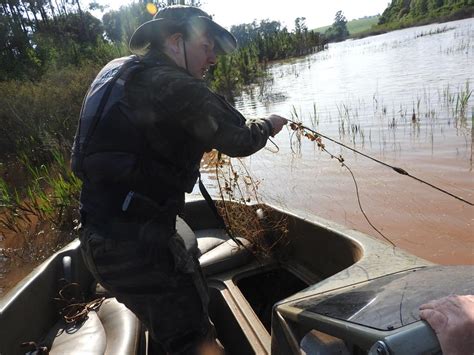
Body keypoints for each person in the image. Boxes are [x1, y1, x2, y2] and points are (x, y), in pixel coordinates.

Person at [72, 5, 287, 355]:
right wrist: (269, 124)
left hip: (98, 240)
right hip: (139, 249)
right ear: (176, 42)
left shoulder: (127, 75)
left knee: (174, 328)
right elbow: (240, 139)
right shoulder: (175, 85)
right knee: (195, 340)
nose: (213, 58)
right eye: (206, 47)